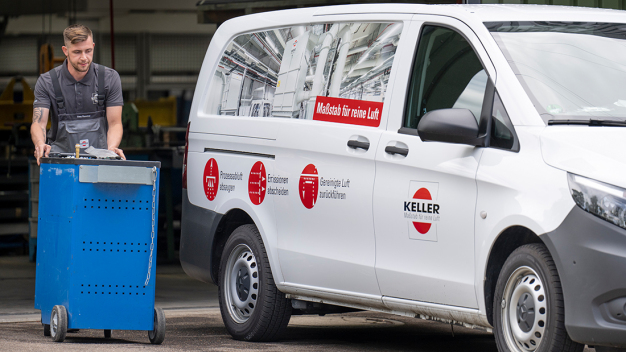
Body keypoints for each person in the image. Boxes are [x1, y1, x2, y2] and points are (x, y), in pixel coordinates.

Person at [31, 24, 126, 165]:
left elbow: (115, 123)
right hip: (60, 166)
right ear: (65, 50)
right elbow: (39, 123)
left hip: (100, 164)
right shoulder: (47, 81)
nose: (84, 58)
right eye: (77, 52)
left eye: (88, 51)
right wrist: (40, 143)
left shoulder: (109, 78)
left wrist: (111, 149)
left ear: (93, 46)